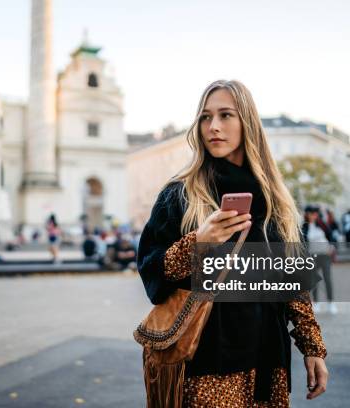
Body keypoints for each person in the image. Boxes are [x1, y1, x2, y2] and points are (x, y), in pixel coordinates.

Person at [137, 80, 328, 406]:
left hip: (268, 359)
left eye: (226, 115)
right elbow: (152, 267)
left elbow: (293, 282)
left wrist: (312, 348)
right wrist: (199, 241)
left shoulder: (275, 200)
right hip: (207, 358)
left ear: (247, 123)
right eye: (205, 117)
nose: (213, 127)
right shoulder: (180, 194)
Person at [302, 206, 337, 314]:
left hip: (325, 256)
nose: (313, 216)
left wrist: (332, 248)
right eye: (311, 213)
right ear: (307, 214)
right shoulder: (304, 227)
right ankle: (316, 303)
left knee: (327, 278)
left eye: (315, 214)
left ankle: (331, 303)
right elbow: (302, 243)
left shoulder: (322, 225)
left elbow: (332, 237)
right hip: (313, 257)